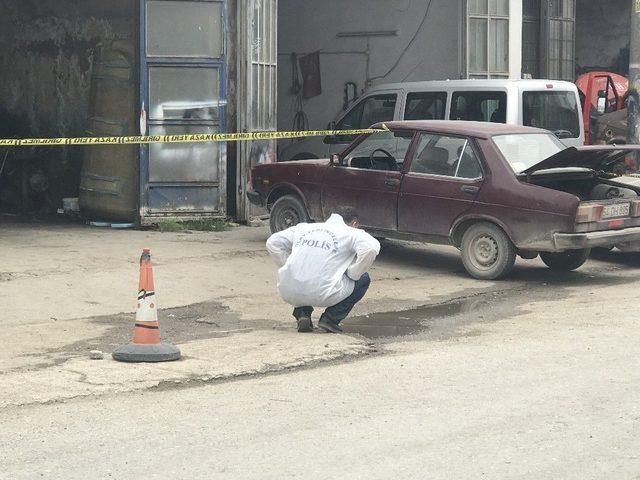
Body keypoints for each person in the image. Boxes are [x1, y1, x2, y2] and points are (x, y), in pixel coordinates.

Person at [266, 206, 380, 333]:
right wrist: (353, 274)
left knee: (302, 272)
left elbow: (272, 243)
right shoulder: (352, 232)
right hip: (325, 293)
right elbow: (370, 250)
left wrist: (288, 266)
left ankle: (302, 314)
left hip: (288, 291)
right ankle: (330, 319)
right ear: (354, 223)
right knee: (363, 278)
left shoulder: (304, 228)